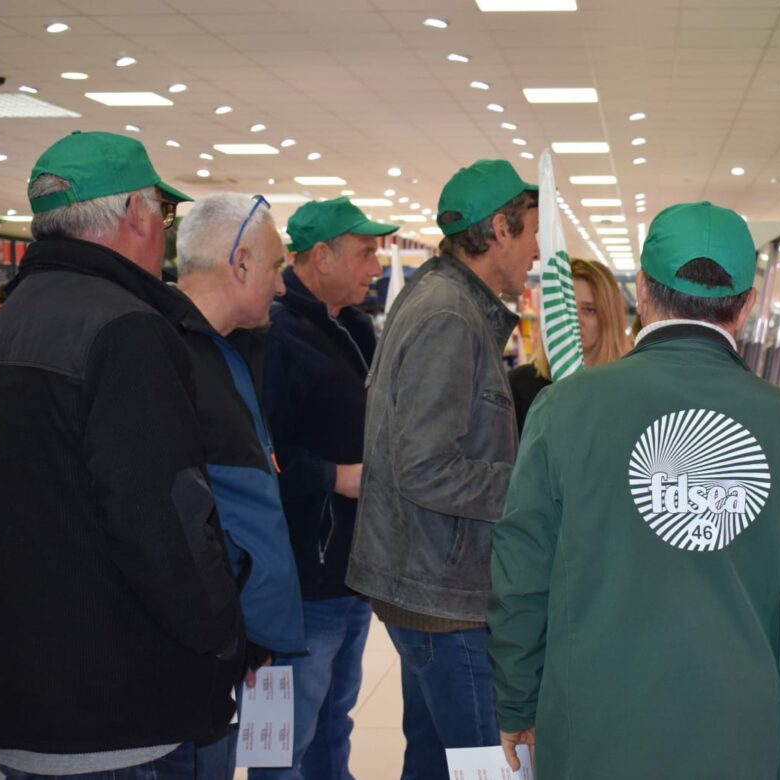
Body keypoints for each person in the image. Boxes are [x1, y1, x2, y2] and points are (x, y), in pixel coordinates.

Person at [488, 201, 780, 779]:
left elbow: (520, 572)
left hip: (597, 723)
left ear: (643, 292)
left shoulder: (565, 410)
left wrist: (519, 700)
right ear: (746, 306)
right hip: (751, 733)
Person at [0, 131, 244, 778]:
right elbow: (164, 522)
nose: (165, 233)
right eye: (165, 214)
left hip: (19, 699)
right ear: (132, 215)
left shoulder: (1, 330)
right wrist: (224, 632)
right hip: (115, 711)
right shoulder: (126, 330)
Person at [347, 159, 538, 780]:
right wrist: (528, 486)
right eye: (531, 231)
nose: (536, 251)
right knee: (490, 765)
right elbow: (425, 468)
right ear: (500, 229)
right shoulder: (450, 316)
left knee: (433, 763)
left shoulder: (444, 301)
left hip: (429, 586)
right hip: (446, 597)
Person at [254, 196, 397, 780]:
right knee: (283, 742)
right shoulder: (275, 335)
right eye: (365, 253)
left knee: (335, 721)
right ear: (321, 256)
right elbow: (256, 454)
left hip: (350, 569)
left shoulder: (354, 328)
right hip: (300, 580)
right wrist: (335, 476)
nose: (377, 267)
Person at [174, 193, 308, 771]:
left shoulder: (225, 352)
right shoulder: (168, 357)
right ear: (242, 263)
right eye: (277, 267)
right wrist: (231, 633)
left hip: (233, 650)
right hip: (204, 655)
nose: (283, 287)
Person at [508, 257, 632, 433]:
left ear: (609, 318)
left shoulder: (628, 390)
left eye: (589, 310)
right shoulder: (519, 386)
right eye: (567, 308)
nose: (575, 320)